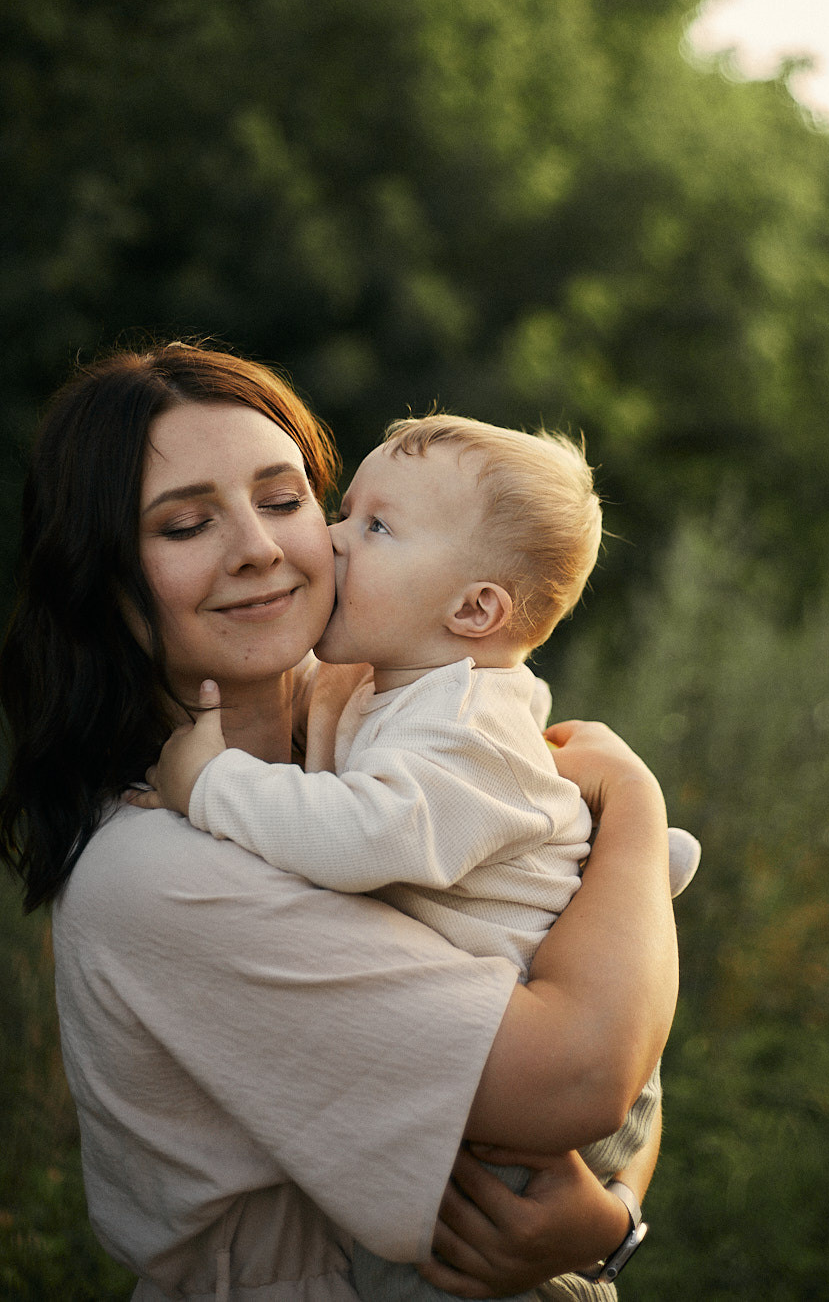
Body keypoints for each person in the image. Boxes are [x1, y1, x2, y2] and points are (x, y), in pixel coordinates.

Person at [0, 343, 679, 1302]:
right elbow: (578, 1075)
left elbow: (618, 1015)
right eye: (186, 523)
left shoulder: (376, 710)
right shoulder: (152, 876)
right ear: (100, 579)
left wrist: (610, 1217)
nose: (259, 546)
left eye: (284, 501)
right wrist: (637, 811)